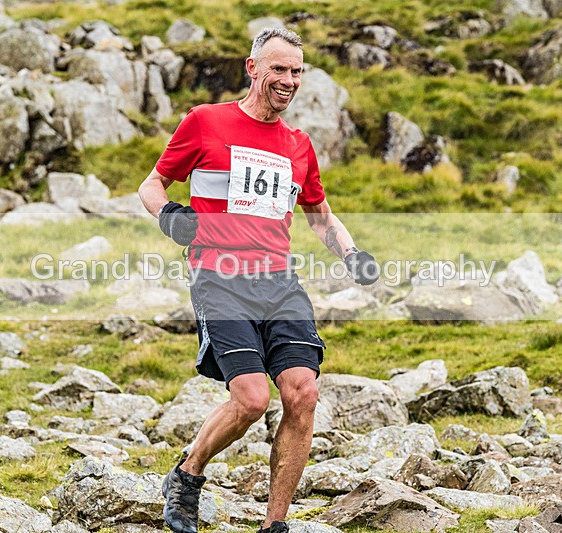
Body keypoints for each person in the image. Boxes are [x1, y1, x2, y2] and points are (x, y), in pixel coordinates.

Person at [138, 28, 379, 533]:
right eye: (279, 69)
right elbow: (152, 184)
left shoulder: (299, 145)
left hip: (278, 282)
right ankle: (187, 475)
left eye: (296, 71)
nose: (288, 80)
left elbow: (319, 216)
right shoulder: (206, 122)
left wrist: (352, 253)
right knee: (251, 399)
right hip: (219, 278)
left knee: (302, 393)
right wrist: (170, 217)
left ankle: (274, 525)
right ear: (253, 69)